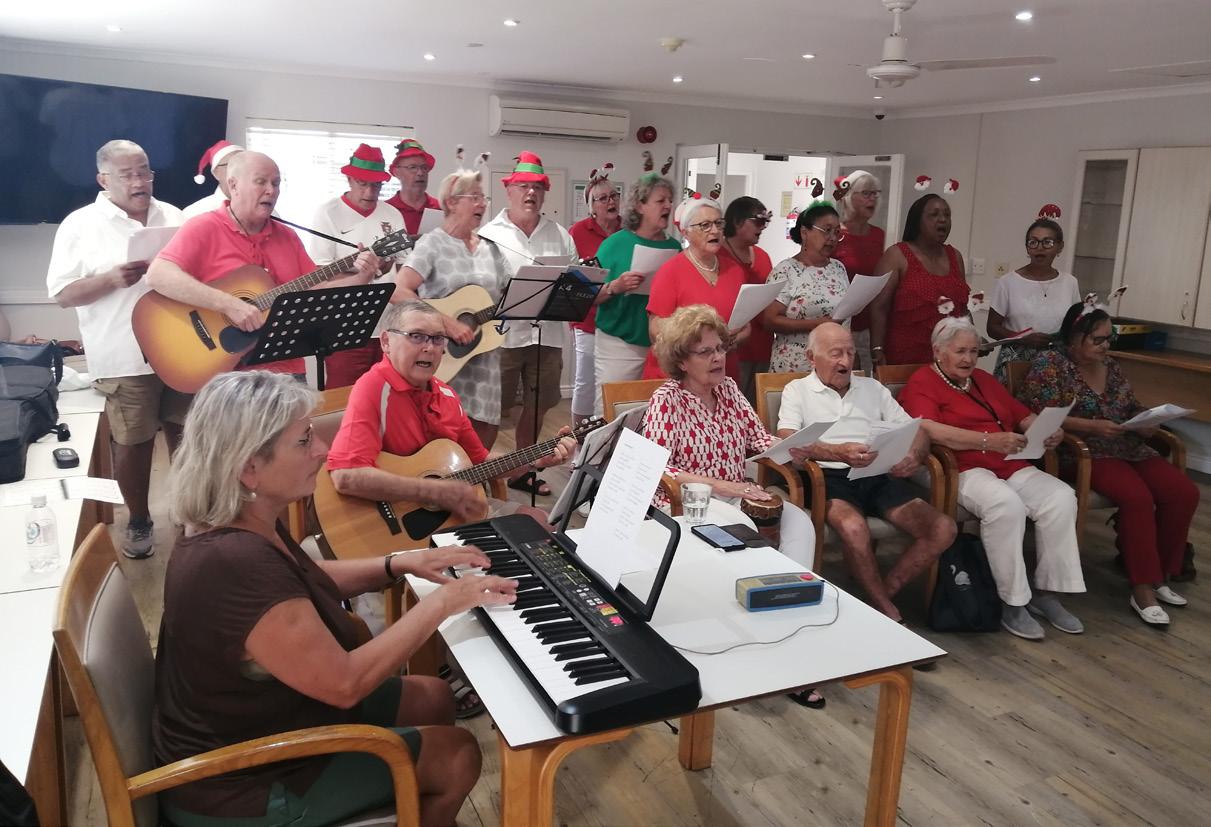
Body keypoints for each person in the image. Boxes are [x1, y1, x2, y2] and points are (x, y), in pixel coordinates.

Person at [153, 370, 516, 827]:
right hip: (239, 782)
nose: (323, 450)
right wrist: (444, 602)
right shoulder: (233, 562)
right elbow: (345, 683)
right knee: (459, 755)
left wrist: (399, 563)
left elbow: (302, 578)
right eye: (304, 441)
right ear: (249, 467)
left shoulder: (241, 516)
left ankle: (411, 808)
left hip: (266, 716)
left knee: (434, 696)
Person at [643, 304, 819, 708]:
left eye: (720, 348)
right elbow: (661, 469)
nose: (717, 357)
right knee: (748, 533)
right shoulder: (667, 400)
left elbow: (758, 440)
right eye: (704, 351)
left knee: (800, 525)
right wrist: (726, 486)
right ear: (681, 361)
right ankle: (752, 646)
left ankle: (791, 628)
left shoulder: (730, 391)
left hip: (736, 495)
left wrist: (792, 447)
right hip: (686, 505)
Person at [899, 317, 1084, 641]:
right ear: (938, 351)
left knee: (1060, 497)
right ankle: (1013, 602)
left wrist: (1047, 430)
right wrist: (987, 440)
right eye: (960, 351)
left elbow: (1021, 415)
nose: (969, 358)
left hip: (1008, 461)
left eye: (974, 351)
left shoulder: (984, 380)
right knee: (1006, 505)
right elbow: (928, 428)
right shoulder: (922, 382)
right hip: (962, 467)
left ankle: (1047, 593)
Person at [47, 139, 187, 559]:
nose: (139, 181)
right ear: (103, 180)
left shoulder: (174, 216)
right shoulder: (79, 225)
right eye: (127, 175)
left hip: (182, 347)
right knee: (134, 441)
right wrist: (111, 279)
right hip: (123, 353)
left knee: (187, 435)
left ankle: (189, 513)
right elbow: (62, 294)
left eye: (145, 171)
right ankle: (139, 520)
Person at [1020, 303, 1199, 626]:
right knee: (1136, 497)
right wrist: (1093, 427)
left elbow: (1130, 405)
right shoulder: (1050, 364)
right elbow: (1041, 415)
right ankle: (1141, 589)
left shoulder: (1111, 366)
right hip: (1079, 450)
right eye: (1098, 339)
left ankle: (1160, 575)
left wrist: (1146, 421)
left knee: (1183, 492)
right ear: (1075, 337)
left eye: (1109, 339)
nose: (1105, 346)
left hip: (1125, 444)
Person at [777, 322, 954, 622]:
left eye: (850, 353)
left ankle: (883, 594)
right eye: (836, 354)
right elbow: (787, 439)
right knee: (854, 528)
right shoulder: (798, 390)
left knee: (943, 528)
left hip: (879, 473)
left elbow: (917, 429)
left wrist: (915, 454)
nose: (846, 361)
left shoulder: (872, 388)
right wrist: (837, 451)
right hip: (827, 477)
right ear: (811, 357)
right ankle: (886, 609)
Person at [148, 151, 380, 378]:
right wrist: (228, 304)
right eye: (261, 182)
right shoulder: (204, 227)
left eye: (276, 183)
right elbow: (158, 275)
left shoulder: (288, 236)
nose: (271, 190)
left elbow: (315, 292)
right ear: (233, 185)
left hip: (287, 370)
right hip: (229, 375)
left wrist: (359, 279)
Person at [479, 152, 577, 497]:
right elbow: (476, 287)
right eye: (523, 186)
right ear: (509, 190)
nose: (530, 193)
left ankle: (523, 471)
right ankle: (480, 474)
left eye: (537, 187)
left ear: (545, 193)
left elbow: (574, 283)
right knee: (492, 411)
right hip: (502, 338)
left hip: (547, 335)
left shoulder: (560, 234)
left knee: (538, 407)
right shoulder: (488, 234)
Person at [395, 166, 511, 449]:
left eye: (484, 198)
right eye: (475, 197)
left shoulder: (492, 249)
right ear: (451, 202)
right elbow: (399, 290)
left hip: (485, 358)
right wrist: (445, 322)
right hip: (441, 357)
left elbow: (510, 294)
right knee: (442, 438)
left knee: (483, 437)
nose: (482, 204)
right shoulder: (432, 244)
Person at [304, 144, 403, 387]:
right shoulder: (327, 213)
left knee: (390, 394)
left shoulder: (392, 214)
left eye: (376, 185)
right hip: (343, 325)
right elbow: (319, 275)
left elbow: (400, 268)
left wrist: (384, 266)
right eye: (362, 183)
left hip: (388, 325)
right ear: (349, 179)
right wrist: (358, 271)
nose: (370, 192)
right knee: (343, 396)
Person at [592, 174, 681, 413]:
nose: (668, 206)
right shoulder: (615, 244)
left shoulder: (674, 248)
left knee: (653, 412)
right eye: (660, 200)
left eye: (670, 200)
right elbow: (588, 295)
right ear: (640, 206)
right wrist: (616, 286)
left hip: (660, 344)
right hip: (619, 343)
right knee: (611, 409)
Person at [644, 197, 750, 382]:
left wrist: (733, 340)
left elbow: (746, 326)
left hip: (722, 372)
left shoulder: (735, 271)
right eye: (705, 225)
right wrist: (697, 343)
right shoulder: (670, 271)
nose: (715, 230)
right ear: (686, 233)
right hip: (680, 375)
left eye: (718, 223)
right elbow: (655, 329)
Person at [870, 194, 970, 367]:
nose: (943, 219)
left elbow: (962, 308)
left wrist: (973, 338)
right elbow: (879, 307)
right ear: (918, 221)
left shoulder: (955, 256)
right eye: (934, 214)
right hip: (905, 357)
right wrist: (877, 348)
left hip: (948, 359)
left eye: (947, 215)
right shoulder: (897, 255)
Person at [987, 218, 1081, 382]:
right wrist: (1021, 338)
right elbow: (992, 328)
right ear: (1027, 248)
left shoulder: (1070, 282)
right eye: (1033, 242)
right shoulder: (1007, 282)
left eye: (1047, 242)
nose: (1040, 248)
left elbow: (1075, 325)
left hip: (1057, 363)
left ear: (1060, 246)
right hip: (1016, 362)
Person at [762, 202, 850, 373]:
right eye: (827, 230)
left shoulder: (838, 268)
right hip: (795, 365)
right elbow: (770, 320)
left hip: (834, 365)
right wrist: (815, 324)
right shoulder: (786, 270)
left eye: (837, 232)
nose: (832, 238)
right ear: (804, 232)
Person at [567, 169, 622, 427]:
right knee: (586, 382)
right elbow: (571, 279)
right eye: (603, 198)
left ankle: (610, 436)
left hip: (621, 318)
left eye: (614, 195)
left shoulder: (628, 230)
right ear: (591, 207)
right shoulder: (577, 232)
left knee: (614, 382)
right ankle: (579, 440)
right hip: (587, 319)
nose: (611, 202)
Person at [718, 196, 774, 398]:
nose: (763, 227)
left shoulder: (763, 256)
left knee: (758, 405)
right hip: (734, 345)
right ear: (737, 221)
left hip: (763, 342)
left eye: (766, 221)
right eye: (758, 221)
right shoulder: (718, 256)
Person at [832, 170, 885, 371]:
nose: (872, 199)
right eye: (866, 193)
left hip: (872, 325)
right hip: (840, 323)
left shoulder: (880, 236)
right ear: (848, 196)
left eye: (875, 193)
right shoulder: (835, 235)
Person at [386, 138, 441, 235]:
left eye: (424, 168)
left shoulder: (440, 209)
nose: (420, 173)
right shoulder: (386, 211)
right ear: (397, 172)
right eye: (412, 167)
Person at [182, 139, 243, 220]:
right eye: (231, 165)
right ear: (216, 173)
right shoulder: (195, 213)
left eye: (245, 166)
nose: (241, 171)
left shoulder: (258, 209)